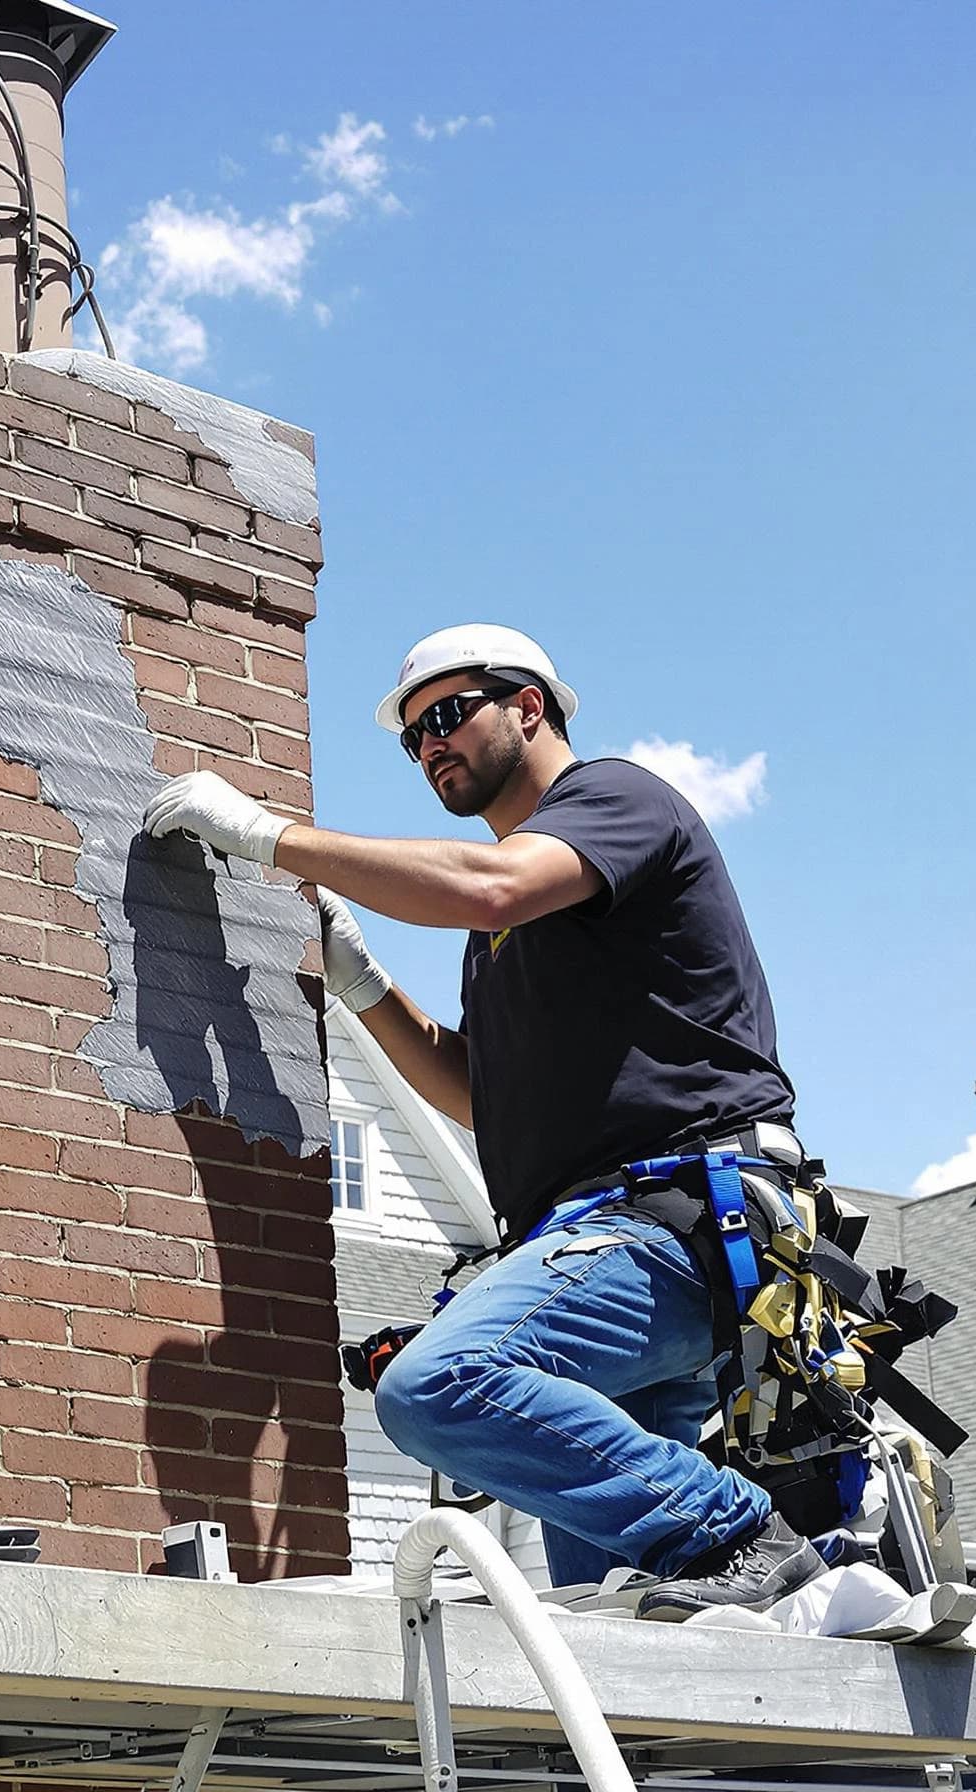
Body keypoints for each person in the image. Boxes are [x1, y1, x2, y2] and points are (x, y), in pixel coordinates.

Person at [140, 623, 828, 1617]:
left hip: (670, 1221)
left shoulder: (617, 801)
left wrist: (267, 836)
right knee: (623, 1616)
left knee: (435, 1385)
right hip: (598, 1244)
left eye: (449, 715)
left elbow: (489, 880)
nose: (430, 746)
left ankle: (735, 1530)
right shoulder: (501, 935)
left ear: (530, 706)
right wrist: (363, 984)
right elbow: (477, 1093)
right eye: (411, 737)